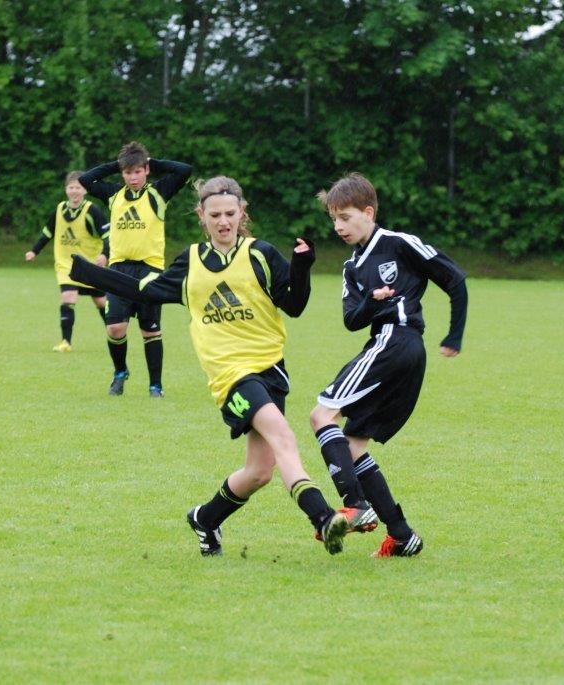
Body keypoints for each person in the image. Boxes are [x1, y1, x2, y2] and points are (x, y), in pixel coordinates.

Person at [68, 176, 354, 556]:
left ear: (242, 213)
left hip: (271, 370)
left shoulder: (261, 254)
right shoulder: (190, 262)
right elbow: (144, 290)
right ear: (201, 215)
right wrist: (86, 272)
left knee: (259, 472)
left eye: (230, 213)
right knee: (283, 435)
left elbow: (294, 305)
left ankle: (205, 518)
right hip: (229, 376)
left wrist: (302, 267)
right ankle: (323, 518)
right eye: (215, 214)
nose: (223, 221)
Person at [309, 173, 469, 558]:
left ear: (368, 212)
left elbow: (455, 279)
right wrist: (372, 300)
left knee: (321, 415)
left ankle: (355, 505)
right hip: (395, 348)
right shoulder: (352, 267)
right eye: (333, 219)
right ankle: (401, 535)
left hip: (396, 342)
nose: (338, 227)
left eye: (345, 217)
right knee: (352, 445)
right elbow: (352, 320)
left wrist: (454, 335)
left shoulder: (398, 243)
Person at [78, 142, 192, 397]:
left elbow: (184, 170)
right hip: (118, 269)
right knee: (115, 328)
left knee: (150, 330)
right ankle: (120, 372)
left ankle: (155, 386)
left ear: (146, 170)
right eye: (128, 172)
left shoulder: (158, 193)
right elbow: (85, 180)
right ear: (122, 173)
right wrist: (117, 164)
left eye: (138, 171)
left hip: (150, 270)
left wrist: (151, 161)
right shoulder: (113, 194)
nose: (133, 177)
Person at [25, 171, 110, 352]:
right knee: (68, 298)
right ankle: (66, 342)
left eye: (78, 187)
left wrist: (104, 255)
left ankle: (114, 333)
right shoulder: (59, 209)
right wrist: (34, 251)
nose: (74, 191)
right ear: (66, 189)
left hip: (90, 266)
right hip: (66, 265)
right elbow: (47, 232)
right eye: (71, 187)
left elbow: (108, 235)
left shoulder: (92, 211)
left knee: (101, 302)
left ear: (85, 190)